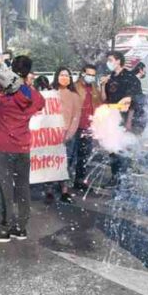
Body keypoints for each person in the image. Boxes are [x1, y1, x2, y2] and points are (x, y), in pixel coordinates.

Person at [0, 55, 45, 242]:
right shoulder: (31, 94)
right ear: (29, 72)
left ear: (11, 68)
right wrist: (26, 84)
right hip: (22, 147)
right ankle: (20, 227)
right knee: (22, 187)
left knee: (5, 188)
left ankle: (4, 228)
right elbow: (40, 103)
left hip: (3, 147)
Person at [101, 51, 141, 186]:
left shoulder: (130, 78)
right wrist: (102, 84)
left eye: (110, 60)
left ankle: (124, 180)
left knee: (124, 149)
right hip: (112, 118)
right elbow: (105, 99)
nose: (109, 63)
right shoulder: (110, 78)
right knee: (112, 149)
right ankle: (114, 177)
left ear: (118, 61)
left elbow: (134, 102)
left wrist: (129, 122)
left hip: (125, 119)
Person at [50, 67, 80, 203]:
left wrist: (69, 134)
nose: (64, 77)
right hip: (51, 135)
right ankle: (50, 189)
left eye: (67, 75)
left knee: (66, 163)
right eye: (61, 75)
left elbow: (76, 117)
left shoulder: (74, 95)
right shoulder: (50, 94)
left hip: (67, 135)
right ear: (56, 77)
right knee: (50, 162)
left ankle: (64, 191)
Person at [73, 64, 102, 191]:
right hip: (75, 126)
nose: (91, 77)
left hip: (89, 126)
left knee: (85, 156)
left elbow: (100, 103)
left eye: (93, 75)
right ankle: (65, 183)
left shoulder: (95, 88)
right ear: (82, 74)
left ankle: (81, 180)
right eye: (89, 74)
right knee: (72, 155)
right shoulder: (75, 87)